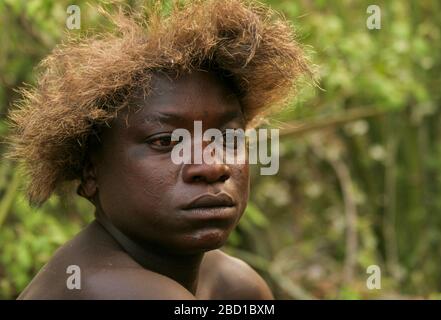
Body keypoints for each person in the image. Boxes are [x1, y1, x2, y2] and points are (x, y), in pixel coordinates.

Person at [7, 0, 312, 299]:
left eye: (228, 138)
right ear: (90, 172)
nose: (212, 166)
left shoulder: (233, 283)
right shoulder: (99, 287)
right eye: (166, 141)